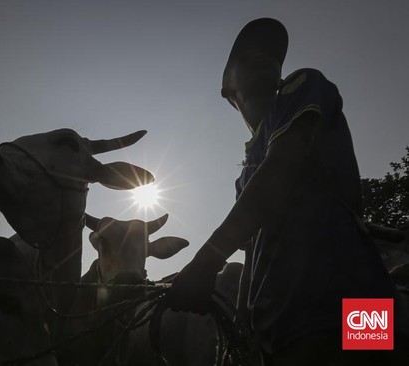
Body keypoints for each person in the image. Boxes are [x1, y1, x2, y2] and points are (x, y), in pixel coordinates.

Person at [166, 18, 409, 365]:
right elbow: (252, 255)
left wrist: (206, 263)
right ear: (227, 89)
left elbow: (280, 171)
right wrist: (241, 322)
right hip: (284, 324)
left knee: (378, 355)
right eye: (246, 54)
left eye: (272, 52)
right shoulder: (245, 175)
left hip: (358, 295)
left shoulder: (304, 86)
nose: (263, 54)